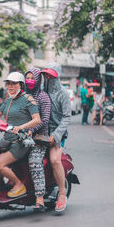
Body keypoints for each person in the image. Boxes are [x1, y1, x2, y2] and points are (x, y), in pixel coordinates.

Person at [0, 72, 41, 198]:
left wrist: (21, 127)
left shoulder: (28, 99)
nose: (10, 86)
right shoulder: (8, 100)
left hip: (20, 141)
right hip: (6, 139)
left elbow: (37, 120)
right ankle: (0, 182)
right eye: (8, 83)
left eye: (14, 83)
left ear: (21, 85)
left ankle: (19, 185)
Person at [41, 64, 71, 212]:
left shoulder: (63, 94)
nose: (47, 78)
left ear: (56, 77)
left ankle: (62, 194)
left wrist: (57, 134)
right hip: (41, 132)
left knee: (54, 160)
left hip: (58, 133)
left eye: (51, 76)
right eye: (45, 76)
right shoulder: (41, 92)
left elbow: (66, 117)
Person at [25, 68, 51, 212]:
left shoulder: (43, 97)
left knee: (34, 161)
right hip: (22, 135)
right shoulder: (22, 96)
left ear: (37, 80)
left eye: (32, 78)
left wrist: (31, 130)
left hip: (39, 138)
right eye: (27, 78)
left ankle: (40, 198)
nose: (29, 80)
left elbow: (45, 119)